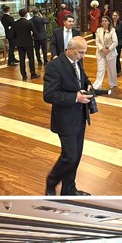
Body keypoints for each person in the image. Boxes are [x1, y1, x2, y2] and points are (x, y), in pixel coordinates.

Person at [43, 36, 94, 196]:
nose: (83, 56)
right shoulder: (54, 66)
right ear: (70, 49)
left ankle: (69, 189)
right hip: (65, 119)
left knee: (76, 156)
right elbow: (49, 95)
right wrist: (75, 97)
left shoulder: (78, 61)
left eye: (84, 52)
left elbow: (82, 78)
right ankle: (51, 182)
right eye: (80, 52)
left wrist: (88, 84)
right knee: (69, 157)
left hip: (80, 116)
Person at [12, 8, 39, 80]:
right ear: (26, 14)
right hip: (28, 43)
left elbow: (13, 34)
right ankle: (33, 74)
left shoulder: (15, 23)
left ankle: (24, 75)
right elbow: (35, 33)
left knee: (22, 59)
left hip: (19, 43)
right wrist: (33, 37)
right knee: (31, 58)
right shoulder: (29, 23)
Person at [93, 15, 119, 90]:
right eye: (102, 21)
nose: (104, 22)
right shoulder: (99, 30)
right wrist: (102, 49)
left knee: (112, 70)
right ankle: (97, 86)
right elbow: (97, 41)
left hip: (110, 53)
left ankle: (113, 84)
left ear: (108, 22)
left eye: (105, 21)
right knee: (100, 69)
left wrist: (108, 49)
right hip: (100, 53)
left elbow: (115, 42)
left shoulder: (112, 30)